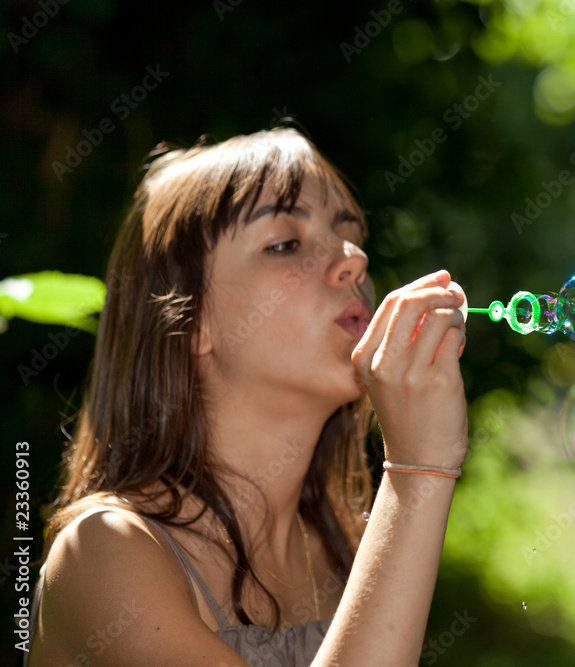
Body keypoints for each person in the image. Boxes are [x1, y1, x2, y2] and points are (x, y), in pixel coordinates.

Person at [24, 126, 469, 666]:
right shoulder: (105, 552)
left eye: (350, 235)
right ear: (190, 325)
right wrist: (420, 468)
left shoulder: (345, 550)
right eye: (285, 244)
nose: (354, 259)